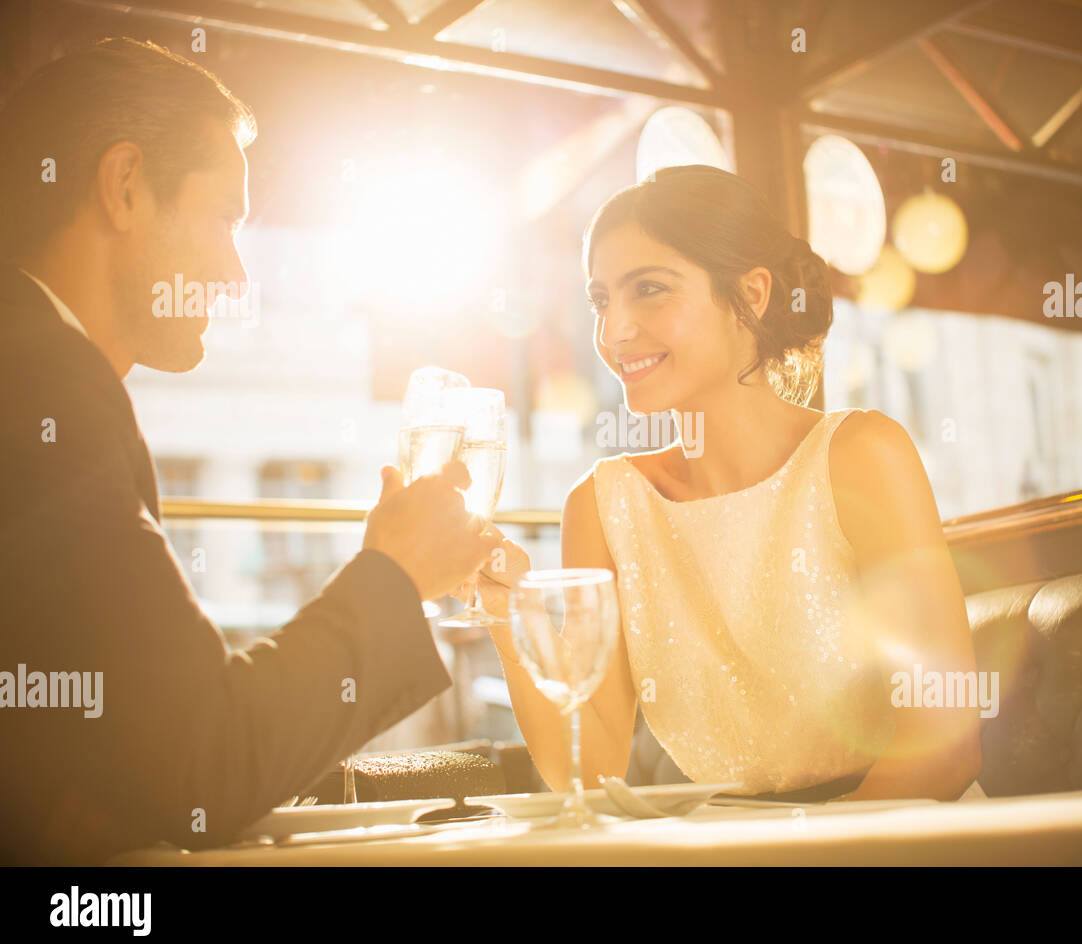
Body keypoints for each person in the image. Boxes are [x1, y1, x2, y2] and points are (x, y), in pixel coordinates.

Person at [0, 37, 500, 864]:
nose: (235, 277)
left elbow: (129, 754)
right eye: (226, 218)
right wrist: (399, 575)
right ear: (125, 187)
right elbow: (202, 760)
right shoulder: (40, 394)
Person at [476, 166, 982, 802]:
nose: (614, 330)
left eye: (650, 290)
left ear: (754, 292)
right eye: (602, 300)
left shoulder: (860, 456)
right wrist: (505, 612)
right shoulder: (603, 506)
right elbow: (589, 768)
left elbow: (945, 745)